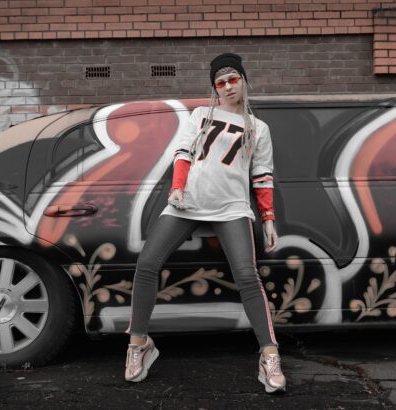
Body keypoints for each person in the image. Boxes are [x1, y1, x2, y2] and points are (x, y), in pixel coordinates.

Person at [124, 53, 286, 394]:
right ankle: (139, 344)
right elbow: (183, 153)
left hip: (232, 208)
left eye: (233, 79)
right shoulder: (201, 115)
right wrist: (177, 188)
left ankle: (269, 355)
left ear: (244, 81)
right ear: (214, 88)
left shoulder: (258, 128)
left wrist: (269, 219)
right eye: (220, 82)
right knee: (147, 264)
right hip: (187, 203)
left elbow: (262, 176)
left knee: (247, 276)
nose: (228, 86)